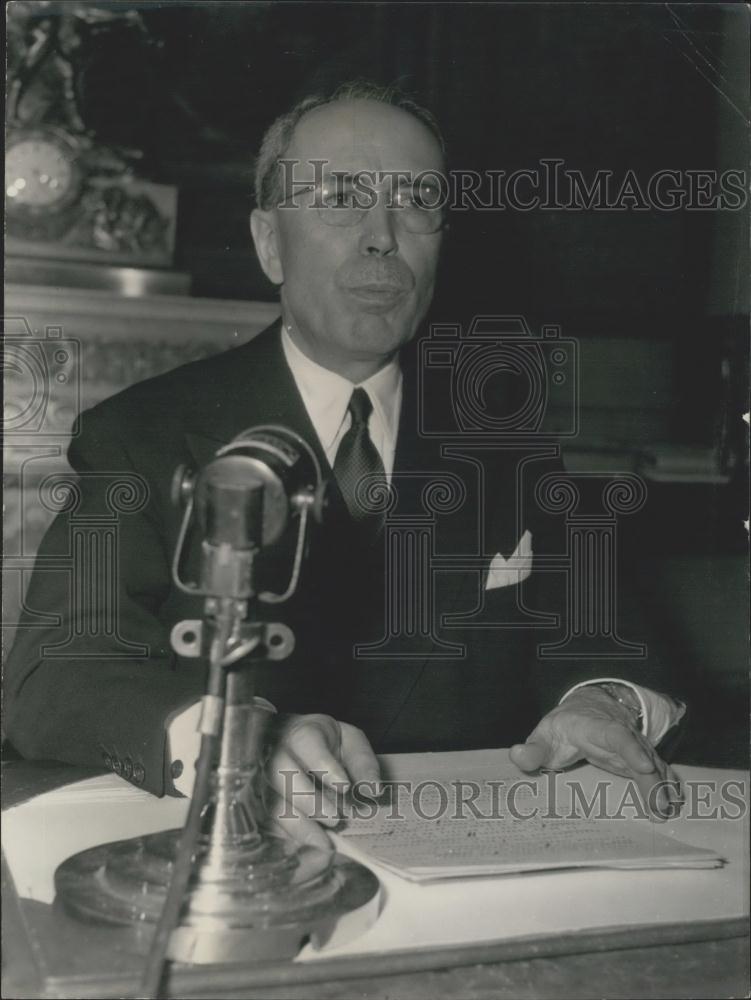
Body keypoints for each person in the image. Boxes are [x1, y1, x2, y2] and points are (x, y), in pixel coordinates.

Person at [4, 82, 685, 849]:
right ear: (269, 242)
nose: (382, 237)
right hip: (238, 850)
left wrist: (601, 699)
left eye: (416, 202)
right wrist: (226, 739)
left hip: (469, 864)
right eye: (339, 198)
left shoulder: (506, 446)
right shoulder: (144, 434)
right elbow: (52, 675)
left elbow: (609, 634)